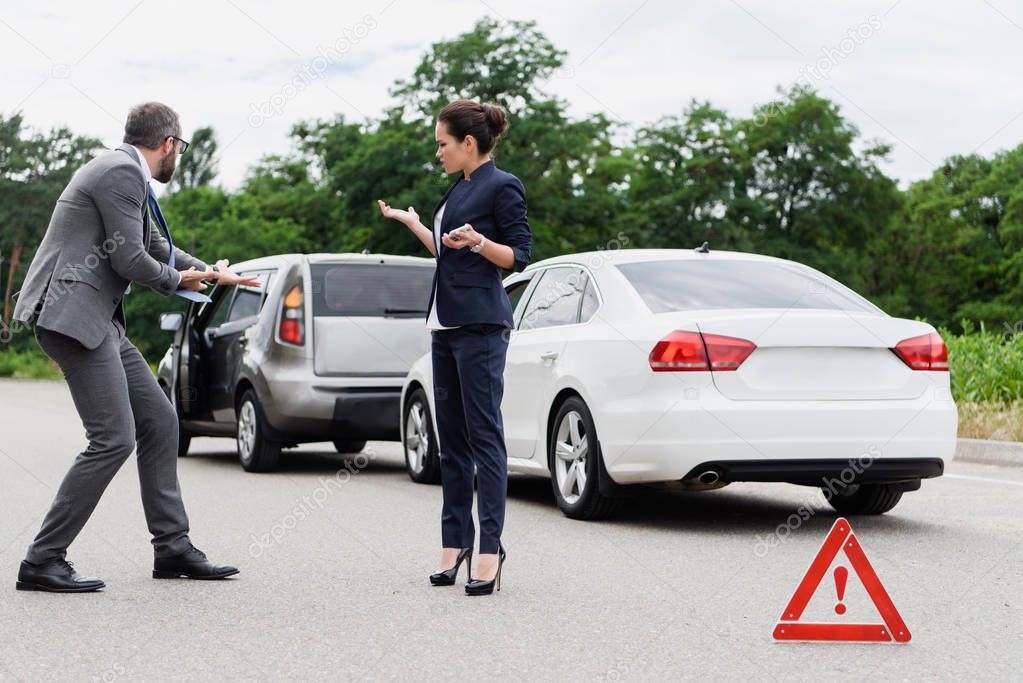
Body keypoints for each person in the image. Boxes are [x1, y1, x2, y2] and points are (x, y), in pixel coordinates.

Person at [11, 102, 256, 593]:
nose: (178, 156)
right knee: (113, 438)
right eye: (179, 148)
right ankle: (43, 558)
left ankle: (172, 547)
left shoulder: (123, 173)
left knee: (160, 420)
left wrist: (210, 270)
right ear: (168, 144)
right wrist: (182, 279)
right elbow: (130, 259)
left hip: (96, 318)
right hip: (71, 316)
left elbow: (154, 245)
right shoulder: (120, 172)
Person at [378, 99, 532, 595]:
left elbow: (519, 257)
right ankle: (455, 540)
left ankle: (490, 547)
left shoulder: (502, 185)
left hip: (482, 327)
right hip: (444, 328)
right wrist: (415, 224)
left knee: (485, 438)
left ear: (469, 144)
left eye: (443, 143)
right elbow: (447, 250)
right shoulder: (458, 186)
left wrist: (482, 242)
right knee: (453, 442)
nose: (437, 151)